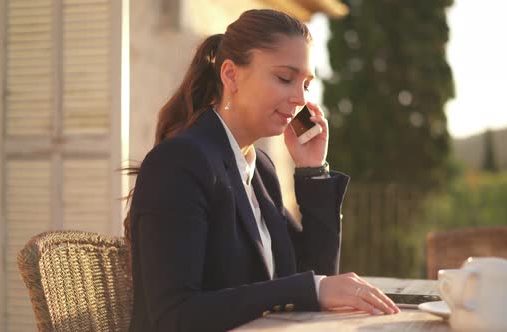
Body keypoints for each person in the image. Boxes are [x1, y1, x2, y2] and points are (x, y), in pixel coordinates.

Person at [125, 9, 399, 332]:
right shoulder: (179, 164)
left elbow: (316, 275)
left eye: (306, 84)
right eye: (285, 78)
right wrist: (311, 289)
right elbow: (176, 316)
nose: (300, 98)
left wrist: (312, 172)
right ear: (231, 76)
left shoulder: (261, 170)